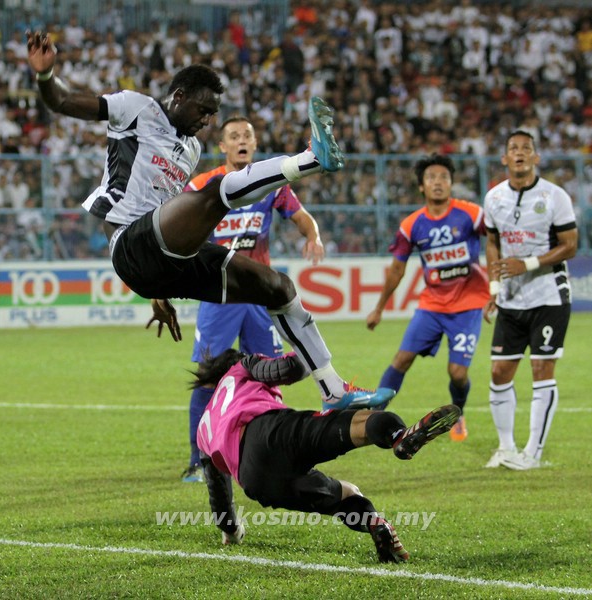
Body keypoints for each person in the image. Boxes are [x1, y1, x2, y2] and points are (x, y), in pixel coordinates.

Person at [26, 31, 392, 412]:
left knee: (277, 287)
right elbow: (64, 101)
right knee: (215, 192)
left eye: (212, 113)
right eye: (202, 109)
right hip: (128, 242)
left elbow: (171, 217)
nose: (206, 120)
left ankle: (333, 389)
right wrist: (46, 76)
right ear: (179, 96)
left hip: (165, 258)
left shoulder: (192, 149)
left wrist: (158, 291)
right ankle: (310, 159)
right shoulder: (137, 108)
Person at [195, 348, 461, 560]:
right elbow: (290, 368)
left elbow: (218, 494)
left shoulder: (204, 428)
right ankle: (398, 436)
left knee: (342, 495)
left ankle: (377, 524)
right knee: (359, 423)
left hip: (254, 480)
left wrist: (231, 530)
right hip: (270, 433)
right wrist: (305, 347)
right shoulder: (242, 367)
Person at [182, 116, 325, 482]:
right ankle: (199, 460)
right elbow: (180, 232)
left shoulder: (270, 183)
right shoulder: (203, 186)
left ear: (255, 144)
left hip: (261, 296)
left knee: (271, 374)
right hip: (220, 293)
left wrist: (314, 236)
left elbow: (302, 216)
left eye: (247, 135)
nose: (241, 140)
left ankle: (271, 447)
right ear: (223, 147)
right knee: (207, 374)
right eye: (234, 136)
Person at [366, 154, 490, 442]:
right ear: (421, 186)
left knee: (458, 373)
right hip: (432, 306)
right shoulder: (411, 225)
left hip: (468, 305)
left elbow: (495, 238)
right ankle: (373, 417)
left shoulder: (472, 214)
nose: (438, 182)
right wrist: (379, 308)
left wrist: (496, 285)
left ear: (451, 183)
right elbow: (397, 269)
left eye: (443, 177)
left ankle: (458, 414)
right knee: (402, 359)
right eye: (431, 178)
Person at [483, 130, 578, 470]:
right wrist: (494, 290)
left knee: (542, 368)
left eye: (526, 148)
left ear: (536, 158)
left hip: (548, 295)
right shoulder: (493, 198)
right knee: (499, 372)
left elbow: (571, 244)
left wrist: (530, 263)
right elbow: (492, 243)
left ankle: (533, 454)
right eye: (513, 148)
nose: (520, 152)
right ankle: (506, 448)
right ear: (505, 159)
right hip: (510, 299)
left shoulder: (555, 196)